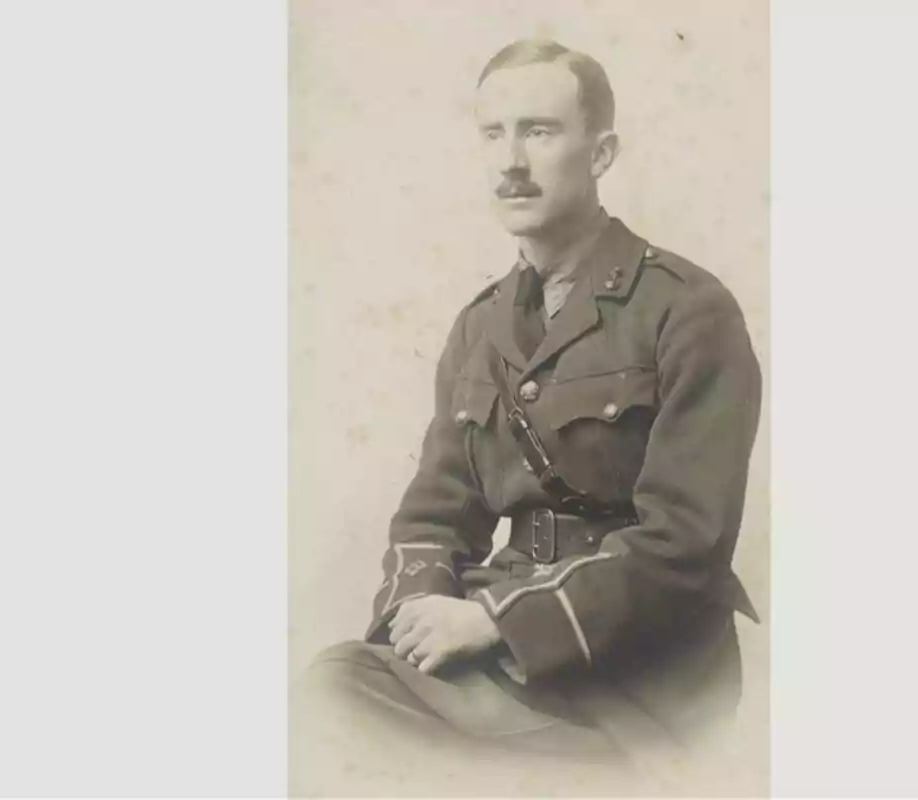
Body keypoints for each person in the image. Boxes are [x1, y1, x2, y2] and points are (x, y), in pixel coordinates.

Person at [292, 38, 763, 796]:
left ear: (601, 152)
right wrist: (420, 613)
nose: (512, 161)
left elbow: (685, 541)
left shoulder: (686, 309)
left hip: (641, 682)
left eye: (539, 132)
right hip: (508, 667)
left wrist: (493, 623)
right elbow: (434, 513)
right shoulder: (479, 327)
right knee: (336, 686)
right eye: (493, 133)